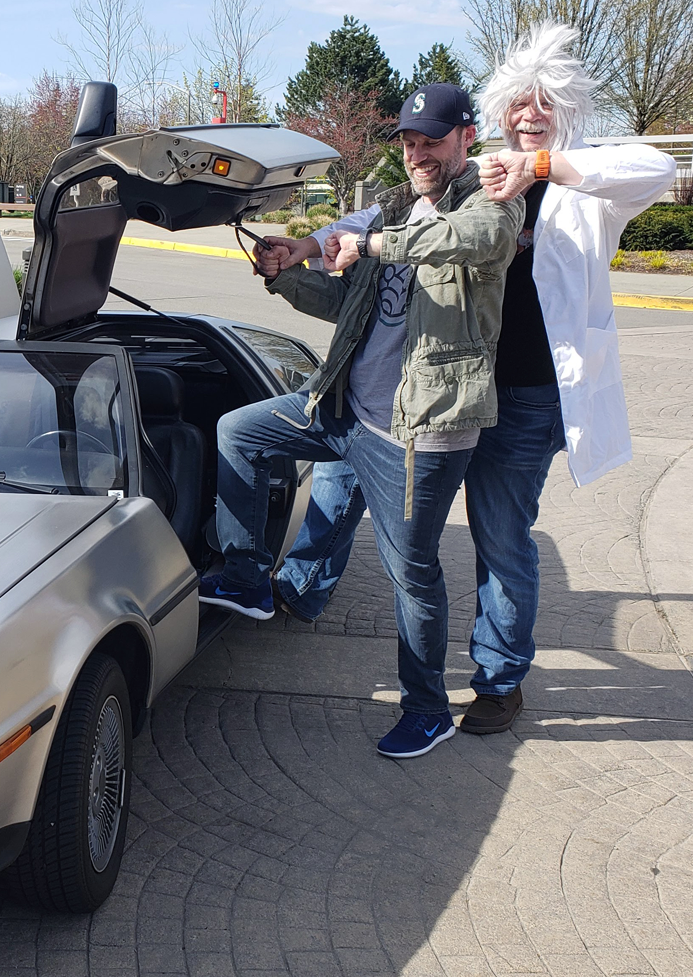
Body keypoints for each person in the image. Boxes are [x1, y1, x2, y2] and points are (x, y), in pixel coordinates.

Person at [260, 23, 676, 736]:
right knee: (347, 472)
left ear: (567, 111)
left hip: (521, 396)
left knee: (500, 534)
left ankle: (500, 678)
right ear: (499, 110)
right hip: (438, 384)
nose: (529, 114)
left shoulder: (589, 183)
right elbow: (388, 208)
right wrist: (310, 243)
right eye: (519, 102)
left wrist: (544, 168)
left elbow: (660, 171)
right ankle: (301, 587)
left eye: (544, 103)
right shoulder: (479, 169)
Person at [200, 82, 524, 759]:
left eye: (430, 140)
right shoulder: (394, 207)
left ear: (466, 137)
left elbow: (460, 240)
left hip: (419, 431)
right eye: (407, 141)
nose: (416, 153)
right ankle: (248, 575)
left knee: (412, 572)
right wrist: (285, 268)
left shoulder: (493, 201)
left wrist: (370, 242)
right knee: (241, 432)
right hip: (342, 406)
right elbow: (343, 301)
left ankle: (427, 708)